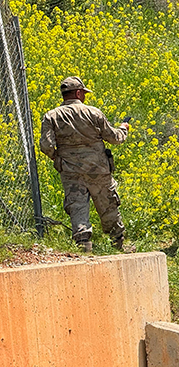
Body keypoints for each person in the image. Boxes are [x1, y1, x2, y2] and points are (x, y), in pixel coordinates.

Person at [39, 76, 130, 253]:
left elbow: (46, 145)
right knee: (107, 205)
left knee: (77, 206)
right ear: (79, 93)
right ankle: (118, 245)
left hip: (70, 170)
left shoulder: (51, 116)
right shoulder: (93, 113)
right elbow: (114, 138)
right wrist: (123, 129)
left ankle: (83, 248)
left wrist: (58, 159)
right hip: (98, 169)